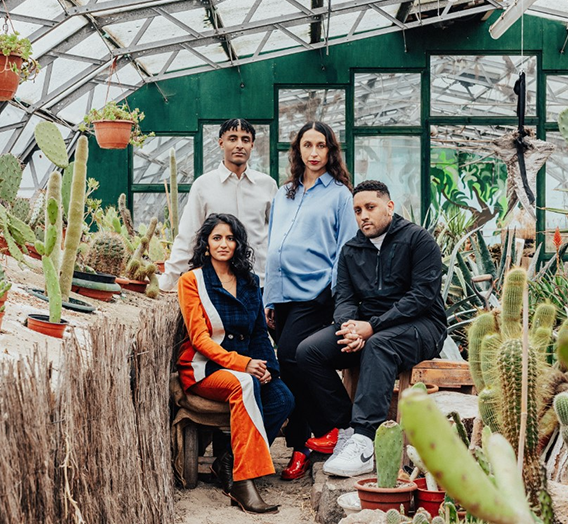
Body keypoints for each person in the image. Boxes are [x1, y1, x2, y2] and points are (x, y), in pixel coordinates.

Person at [296, 180, 446, 477]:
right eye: (357, 210)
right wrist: (349, 328)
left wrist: (372, 328)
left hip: (421, 326)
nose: (363, 215)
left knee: (380, 345)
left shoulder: (419, 240)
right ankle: (348, 431)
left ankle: (365, 442)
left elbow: (421, 297)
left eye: (370, 207)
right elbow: (345, 298)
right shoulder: (352, 250)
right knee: (308, 352)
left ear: (389, 207)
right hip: (368, 326)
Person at [176, 213, 293, 513]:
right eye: (217, 238)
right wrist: (245, 365)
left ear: (238, 244)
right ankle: (242, 482)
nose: (224, 244)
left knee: (283, 398)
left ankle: (227, 461)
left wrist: (268, 369)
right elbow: (200, 339)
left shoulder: (249, 282)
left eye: (230, 238)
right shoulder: (193, 281)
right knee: (244, 383)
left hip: (247, 366)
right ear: (206, 244)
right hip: (205, 368)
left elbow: (257, 332)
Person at [264, 121, 358, 481]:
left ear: (331, 151)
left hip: (315, 294)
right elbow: (273, 244)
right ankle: (303, 446)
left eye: (322, 145)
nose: (314, 152)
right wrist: (269, 298)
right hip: (281, 295)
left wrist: (333, 296)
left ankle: (339, 425)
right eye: (308, 145)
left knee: (292, 356)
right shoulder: (283, 193)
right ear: (298, 150)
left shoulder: (339, 195)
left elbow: (345, 250)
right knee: (288, 368)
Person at [161, 119, 277, 291]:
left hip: (259, 283)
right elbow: (188, 236)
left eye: (245, 140)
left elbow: (278, 236)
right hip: (217, 285)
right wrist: (167, 281)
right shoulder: (203, 185)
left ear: (252, 145)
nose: (239, 145)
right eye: (232, 138)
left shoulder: (267, 185)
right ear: (221, 143)